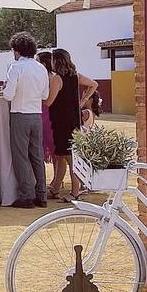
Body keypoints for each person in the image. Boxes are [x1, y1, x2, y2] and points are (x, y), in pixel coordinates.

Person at [3, 32, 50, 209]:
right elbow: (45, 94)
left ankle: (26, 195)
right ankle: (41, 195)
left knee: (21, 156)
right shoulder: (41, 68)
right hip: (36, 114)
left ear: (17, 50)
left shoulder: (16, 67)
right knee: (37, 156)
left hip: (19, 114)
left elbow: (8, 95)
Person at [48, 48, 98, 201]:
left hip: (61, 120)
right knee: (62, 155)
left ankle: (75, 193)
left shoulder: (57, 79)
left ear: (56, 61)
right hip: (73, 119)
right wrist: (82, 101)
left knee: (69, 157)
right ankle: (55, 188)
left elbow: (49, 101)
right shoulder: (75, 76)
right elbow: (94, 84)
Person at [36, 51, 62, 167]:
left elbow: (49, 101)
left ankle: (57, 178)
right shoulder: (43, 77)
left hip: (49, 114)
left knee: (52, 146)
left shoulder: (52, 78)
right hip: (42, 113)